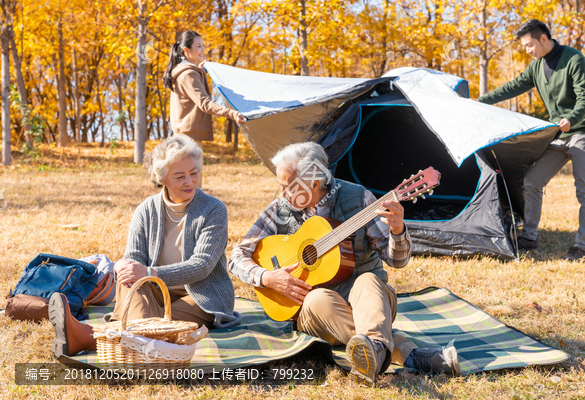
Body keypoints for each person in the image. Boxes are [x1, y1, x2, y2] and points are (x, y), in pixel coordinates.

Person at [229, 142, 460, 384]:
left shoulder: (359, 199)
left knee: (368, 280)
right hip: (318, 312)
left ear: (315, 183)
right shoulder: (280, 210)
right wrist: (267, 277)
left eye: (287, 186)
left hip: (371, 303)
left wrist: (398, 230)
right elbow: (237, 258)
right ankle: (405, 353)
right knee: (318, 298)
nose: (282, 193)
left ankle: (374, 350)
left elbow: (397, 260)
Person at [49, 134, 241, 358]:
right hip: (153, 290)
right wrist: (125, 268)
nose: (189, 181)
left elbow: (202, 266)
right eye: (179, 176)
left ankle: (87, 337)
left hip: (199, 296)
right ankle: (130, 336)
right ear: (162, 179)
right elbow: (134, 258)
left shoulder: (214, 210)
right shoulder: (146, 209)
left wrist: (150, 272)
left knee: (158, 324)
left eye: (194, 173)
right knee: (127, 277)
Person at [477, 19, 585, 261]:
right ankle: (529, 237)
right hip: (557, 135)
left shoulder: (574, 59)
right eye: (524, 46)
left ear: (543, 38)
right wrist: (481, 101)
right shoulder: (536, 67)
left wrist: (571, 119)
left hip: (582, 132)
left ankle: (581, 246)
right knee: (532, 181)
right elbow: (512, 87)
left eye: (529, 45)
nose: (528, 50)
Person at [162, 30, 247, 188]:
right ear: (186, 50)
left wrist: (202, 71)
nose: (203, 50)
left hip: (184, 137)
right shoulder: (187, 74)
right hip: (188, 140)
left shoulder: (186, 71)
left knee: (185, 187)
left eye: (203, 46)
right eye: (199, 46)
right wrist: (233, 113)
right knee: (192, 188)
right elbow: (205, 103)